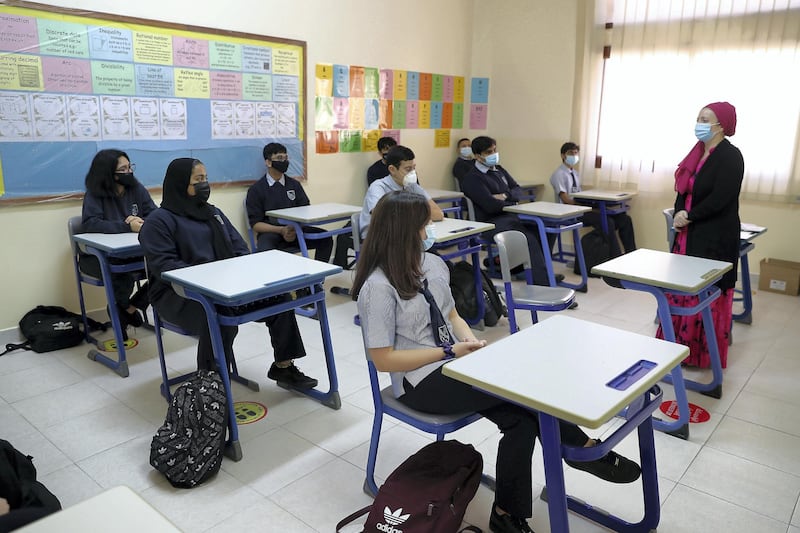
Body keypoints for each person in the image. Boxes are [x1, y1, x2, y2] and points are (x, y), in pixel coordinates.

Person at [352, 191, 641, 533]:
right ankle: (579, 446)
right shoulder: (378, 286)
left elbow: (450, 312)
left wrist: (466, 338)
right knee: (520, 391)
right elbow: (383, 360)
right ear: (404, 229)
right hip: (418, 380)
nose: (430, 228)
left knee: (521, 419)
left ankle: (505, 513)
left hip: (453, 362)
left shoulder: (430, 263)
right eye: (424, 224)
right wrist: (447, 353)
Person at [139, 158, 317, 388]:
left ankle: (284, 367)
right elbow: (165, 267)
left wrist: (241, 277)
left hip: (226, 289)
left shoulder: (214, 213)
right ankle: (210, 385)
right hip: (178, 295)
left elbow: (240, 249)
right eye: (198, 180)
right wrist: (211, 280)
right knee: (214, 314)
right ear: (180, 183)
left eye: (205, 178)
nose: (205, 184)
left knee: (279, 300)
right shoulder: (158, 222)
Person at [657, 102, 744, 369]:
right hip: (688, 234)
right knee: (681, 290)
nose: (700, 123)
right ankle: (675, 347)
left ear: (722, 125)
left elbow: (721, 198)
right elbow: (683, 190)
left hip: (714, 237)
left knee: (706, 293)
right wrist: (681, 211)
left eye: (705, 119)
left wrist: (689, 216)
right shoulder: (696, 154)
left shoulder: (731, 156)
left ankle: (701, 356)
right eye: (698, 118)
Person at [460, 136, 556, 287]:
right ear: (478, 156)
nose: (493, 154)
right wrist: (508, 199)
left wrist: (504, 196)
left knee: (547, 228)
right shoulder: (472, 178)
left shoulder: (499, 170)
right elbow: (490, 205)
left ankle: (542, 272)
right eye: (488, 152)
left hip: (510, 217)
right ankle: (544, 285)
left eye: (494, 150)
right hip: (489, 223)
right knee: (527, 237)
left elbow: (518, 190)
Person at [81, 149, 156, 330]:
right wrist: (126, 226)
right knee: (122, 274)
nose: (129, 172)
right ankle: (125, 308)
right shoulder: (94, 194)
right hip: (98, 257)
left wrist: (142, 221)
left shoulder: (136, 188)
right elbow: (91, 224)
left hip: (131, 252)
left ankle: (129, 306)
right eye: (123, 169)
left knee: (165, 266)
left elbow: (155, 213)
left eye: (130, 167)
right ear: (109, 174)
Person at [246, 142, 333, 263]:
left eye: (286, 158)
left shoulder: (294, 185)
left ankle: (317, 280)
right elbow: (256, 224)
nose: (284, 161)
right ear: (268, 162)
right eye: (279, 158)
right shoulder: (256, 190)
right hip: (272, 232)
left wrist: (293, 228)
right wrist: (281, 230)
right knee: (264, 250)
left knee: (325, 238)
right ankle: (275, 281)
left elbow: (305, 211)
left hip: (296, 230)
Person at [550, 142, 637, 256]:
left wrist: (589, 205)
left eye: (576, 153)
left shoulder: (575, 173)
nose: (574, 156)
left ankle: (631, 255)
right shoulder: (558, 174)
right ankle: (614, 257)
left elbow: (578, 193)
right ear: (563, 155)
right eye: (571, 153)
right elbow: (565, 199)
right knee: (607, 222)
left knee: (624, 219)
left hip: (581, 208)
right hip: (570, 212)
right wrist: (586, 207)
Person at [358, 145, 443, 239]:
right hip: (378, 239)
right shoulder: (378, 187)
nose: (413, 173)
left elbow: (438, 213)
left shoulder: (412, 186)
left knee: (429, 248)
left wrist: (407, 216)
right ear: (392, 169)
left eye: (414, 168)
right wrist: (418, 215)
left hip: (404, 235)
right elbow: (382, 217)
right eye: (408, 169)